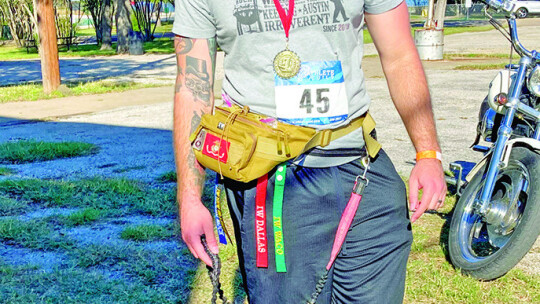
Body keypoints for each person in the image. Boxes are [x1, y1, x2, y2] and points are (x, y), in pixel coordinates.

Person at [172, 0, 447, 303]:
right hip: (272, 182)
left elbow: (400, 55)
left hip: (363, 171)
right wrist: (189, 199)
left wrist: (428, 153)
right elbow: (192, 86)